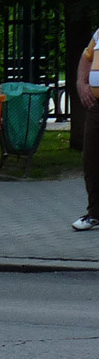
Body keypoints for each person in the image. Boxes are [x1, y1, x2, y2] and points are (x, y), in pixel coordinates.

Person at [76, 26, 99, 231]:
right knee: (91, 159)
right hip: (96, 106)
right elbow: (87, 57)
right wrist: (82, 83)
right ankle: (95, 213)